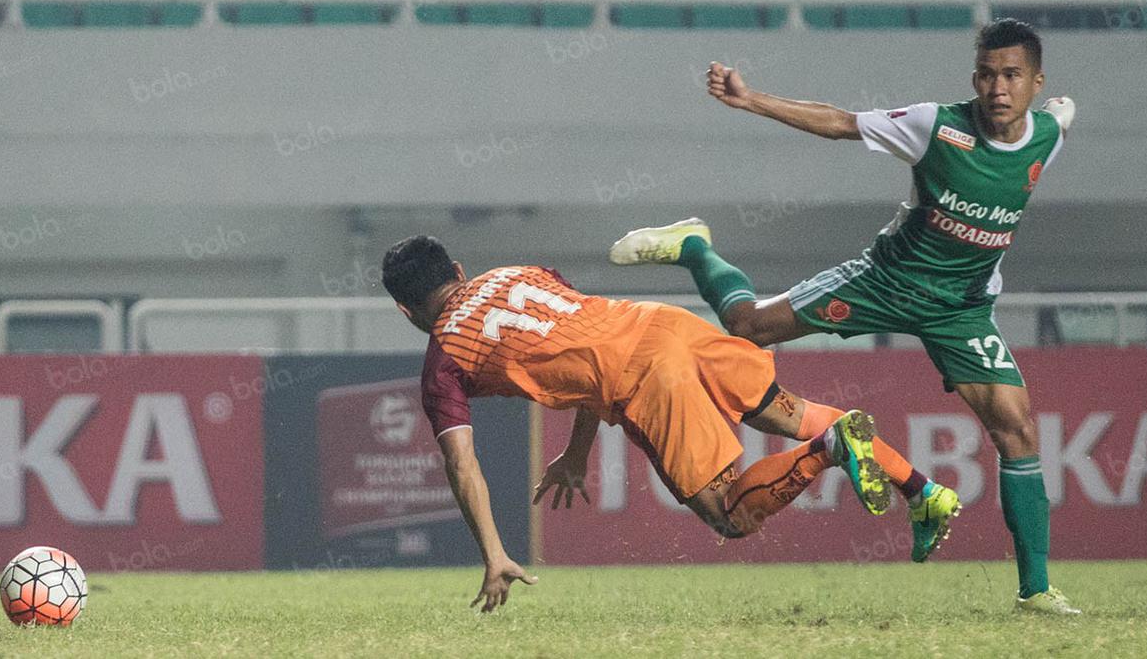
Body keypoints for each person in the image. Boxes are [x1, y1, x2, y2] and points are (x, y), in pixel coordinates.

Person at [608, 18, 1078, 615]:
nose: (998, 89)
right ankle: (696, 246)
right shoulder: (937, 126)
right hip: (884, 282)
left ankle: (1035, 591)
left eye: (1012, 76)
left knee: (1018, 430)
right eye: (986, 75)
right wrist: (750, 99)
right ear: (974, 78)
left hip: (962, 308)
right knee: (749, 327)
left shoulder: (1047, 134)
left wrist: (1062, 108)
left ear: (1035, 82)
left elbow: (1062, 114)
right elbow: (840, 123)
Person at [382, 235, 956, 613]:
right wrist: (579, 453)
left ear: (405, 312)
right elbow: (583, 339)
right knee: (793, 414)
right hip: (663, 323)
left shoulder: (443, 363)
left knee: (729, 514)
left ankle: (831, 448)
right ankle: (922, 491)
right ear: (458, 270)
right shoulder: (520, 272)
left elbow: (462, 464)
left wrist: (494, 553)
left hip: (647, 376)